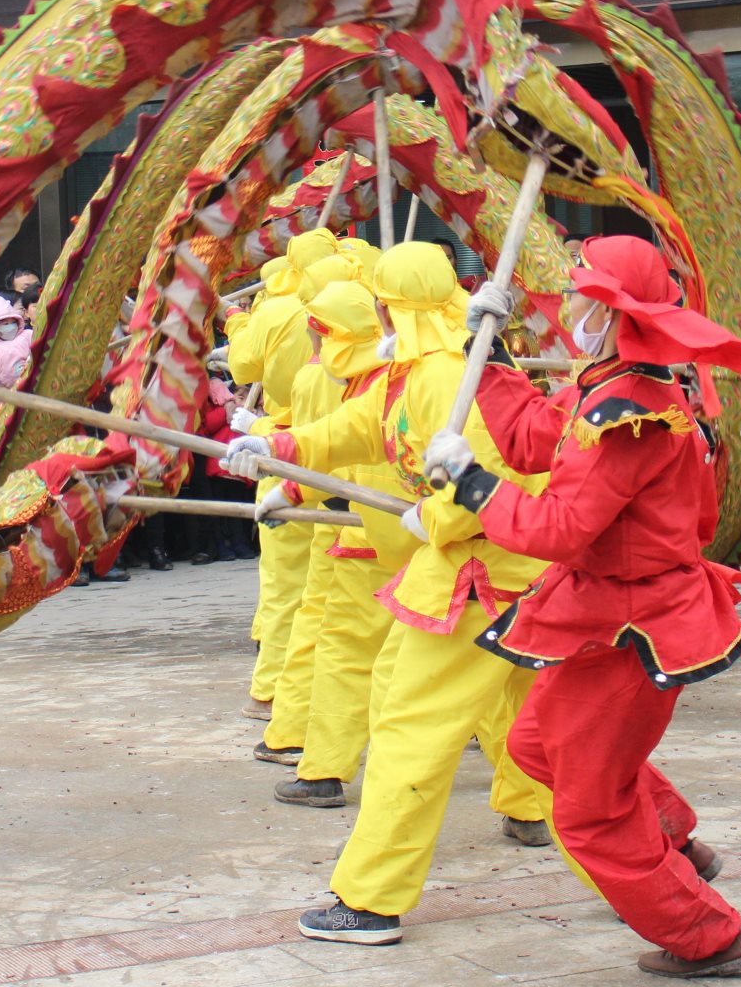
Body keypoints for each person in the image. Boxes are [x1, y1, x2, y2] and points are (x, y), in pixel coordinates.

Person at [423, 234, 741, 979]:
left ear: (612, 311)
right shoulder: (609, 386)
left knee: (588, 814)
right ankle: (673, 843)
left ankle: (709, 935)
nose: (567, 305)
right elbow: (534, 440)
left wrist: (473, 485)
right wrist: (490, 359)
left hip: (635, 627)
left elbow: (559, 528)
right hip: (604, 614)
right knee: (535, 747)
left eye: (580, 295)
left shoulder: (632, 412)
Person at [228, 242, 550, 946]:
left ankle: (371, 900)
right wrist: (278, 450)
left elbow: (494, 482)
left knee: (410, 733)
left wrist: (434, 515)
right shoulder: (409, 374)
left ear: (387, 307)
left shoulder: (453, 377)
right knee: (546, 733)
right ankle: (658, 863)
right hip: (473, 575)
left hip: (482, 579)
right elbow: (351, 429)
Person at [267, 278, 410, 808]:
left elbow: (345, 448)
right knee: (469, 670)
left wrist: (287, 478)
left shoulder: (392, 381)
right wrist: (289, 485)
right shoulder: (399, 373)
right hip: (432, 548)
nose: (316, 343)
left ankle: (324, 771)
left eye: (321, 333)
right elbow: (335, 447)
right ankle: (527, 802)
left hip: (384, 542)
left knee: (345, 655)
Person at [224, 230, 333, 718]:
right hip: (331, 466)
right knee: (323, 593)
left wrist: (238, 324)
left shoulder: (281, 312)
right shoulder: (370, 325)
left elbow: (243, 367)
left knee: (287, 588)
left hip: (288, 455)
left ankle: (272, 692)